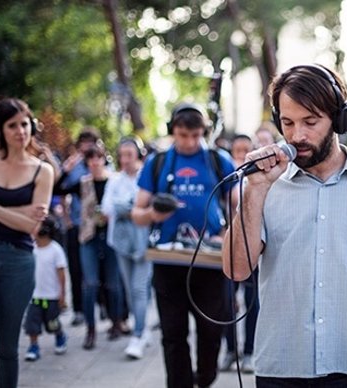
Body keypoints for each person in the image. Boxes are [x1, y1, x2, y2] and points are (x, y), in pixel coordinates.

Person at [222, 64, 347, 388]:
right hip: (282, 369)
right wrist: (254, 191)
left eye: (310, 122)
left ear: (340, 119)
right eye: (288, 122)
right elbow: (236, 269)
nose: (297, 136)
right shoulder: (265, 187)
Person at [132, 102, 239, 388]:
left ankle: (204, 379)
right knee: (173, 333)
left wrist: (227, 232)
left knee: (211, 330)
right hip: (168, 263)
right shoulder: (156, 164)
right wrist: (154, 214)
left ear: (204, 131)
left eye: (196, 135)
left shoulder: (219, 161)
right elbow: (136, 213)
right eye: (182, 135)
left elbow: (239, 209)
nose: (190, 142)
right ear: (172, 132)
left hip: (210, 264)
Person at [0, 98, 54, 387]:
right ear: (1, 130)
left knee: (8, 348)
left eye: (24, 123)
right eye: (12, 125)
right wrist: (18, 212)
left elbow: (32, 226)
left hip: (17, 261)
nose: (20, 130)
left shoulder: (42, 170)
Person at [53, 145, 126, 349]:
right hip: (89, 236)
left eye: (98, 158)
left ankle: (116, 322)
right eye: (91, 159)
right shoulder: (83, 183)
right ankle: (91, 329)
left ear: (104, 159)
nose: (95, 163)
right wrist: (67, 168)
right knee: (90, 283)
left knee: (113, 283)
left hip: (111, 237)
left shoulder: (114, 180)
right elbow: (57, 189)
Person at [101, 137, 152, 359]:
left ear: (138, 155)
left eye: (130, 155)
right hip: (121, 242)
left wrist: (128, 207)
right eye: (122, 155)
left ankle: (138, 335)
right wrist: (133, 207)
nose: (126, 160)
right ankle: (142, 324)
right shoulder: (114, 180)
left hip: (143, 242)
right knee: (131, 290)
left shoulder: (146, 177)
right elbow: (107, 208)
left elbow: (152, 205)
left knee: (140, 289)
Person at [220, 133, 259, 373]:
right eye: (237, 151)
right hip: (229, 246)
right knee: (226, 300)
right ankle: (230, 349)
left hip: (254, 247)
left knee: (252, 302)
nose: (241, 155)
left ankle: (249, 352)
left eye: (247, 150)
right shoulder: (227, 177)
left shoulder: (259, 178)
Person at [59, 129, 101, 327]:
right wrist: (66, 219)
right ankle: (79, 311)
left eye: (90, 142)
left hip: (97, 227)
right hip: (76, 224)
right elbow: (61, 190)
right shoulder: (74, 168)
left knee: (97, 272)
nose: (87, 146)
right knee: (76, 270)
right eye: (83, 142)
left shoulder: (101, 164)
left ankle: (102, 306)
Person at [23, 215, 68, 361]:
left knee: (52, 322)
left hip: (51, 296)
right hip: (35, 296)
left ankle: (60, 336)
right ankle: (33, 345)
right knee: (32, 323)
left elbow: (61, 274)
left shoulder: (55, 250)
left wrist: (62, 295)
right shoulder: (31, 248)